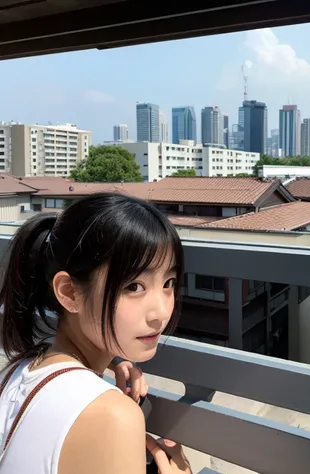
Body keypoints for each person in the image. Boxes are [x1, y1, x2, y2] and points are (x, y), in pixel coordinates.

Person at [0, 192, 192, 474]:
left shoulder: (22, 369)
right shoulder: (114, 417)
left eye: (169, 282)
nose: (161, 312)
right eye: (134, 287)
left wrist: (111, 361)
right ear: (69, 293)